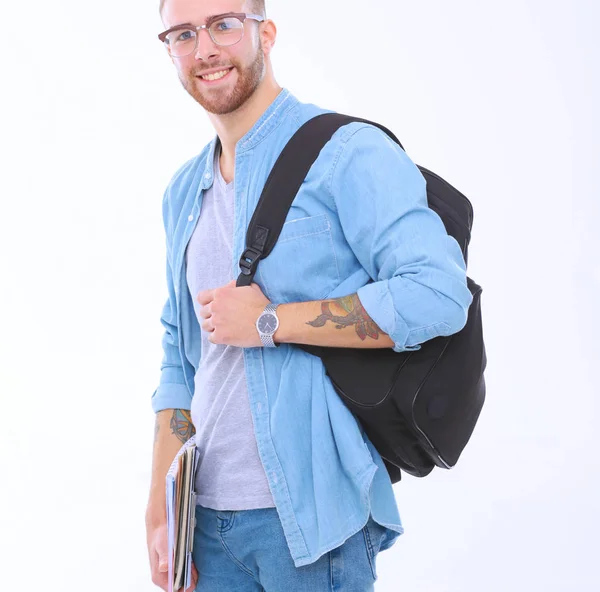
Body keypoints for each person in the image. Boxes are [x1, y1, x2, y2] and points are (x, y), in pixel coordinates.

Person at [145, 1, 474, 590]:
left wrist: (271, 320)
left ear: (264, 33)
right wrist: (159, 502)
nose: (205, 48)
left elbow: (439, 292)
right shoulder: (181, 194)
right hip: (206, 522)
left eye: (224, 24)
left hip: (311, 524)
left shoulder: (347, 152)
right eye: (183, 34)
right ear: (169, 49)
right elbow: (179, 352)